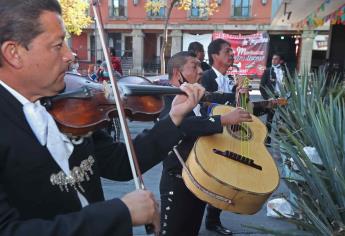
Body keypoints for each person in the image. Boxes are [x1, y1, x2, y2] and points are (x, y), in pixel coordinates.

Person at [0, 1, 205, 235]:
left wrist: (174, 119)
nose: (71, 55)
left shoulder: (69, 106)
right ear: (13, 53)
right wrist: (120, 213)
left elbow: (119, 162)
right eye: (58, 46)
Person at [159, 51, 252, 236]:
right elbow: (183, 124)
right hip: (177, 181)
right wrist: (222, 120)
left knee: (192, 230)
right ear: (178, 73)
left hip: (200, 178)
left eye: (201, 66)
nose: (201, 71)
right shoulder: (166, 98)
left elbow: (224, 101)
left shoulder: (197, 95)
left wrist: (239, 93)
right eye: (195, 66)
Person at [200, 38, 242, 235]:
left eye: (232, 51)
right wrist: (230, 97)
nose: (232, 54)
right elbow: (204, 100)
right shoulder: (206, 77)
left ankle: (213, 219)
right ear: (215, 56)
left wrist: (242, 95)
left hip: (229, 136)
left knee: (225, 179)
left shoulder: (232, 79)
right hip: (209, 135)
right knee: (209, 178)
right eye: (227, 51)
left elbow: (238, 108)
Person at [259, 53, 288, 145]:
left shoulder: (285, 71)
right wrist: (267, 98)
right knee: (269, 119)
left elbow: (288, 84)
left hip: (282, 97)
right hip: (272, 97)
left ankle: (281, 140)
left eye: (276, 59)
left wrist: (287, 95)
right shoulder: (268, 71)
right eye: (273, 59)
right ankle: (267, 139)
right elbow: (261, 86)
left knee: (282, 119)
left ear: (281, 61)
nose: (273, 60)